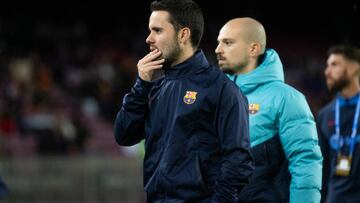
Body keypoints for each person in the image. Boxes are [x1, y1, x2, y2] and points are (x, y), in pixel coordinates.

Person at [114, 0, 254, 202]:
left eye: (157, 30)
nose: (148, 39)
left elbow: (239, 161)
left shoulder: (222, 89)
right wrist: (141, 86)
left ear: (183, 35)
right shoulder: (154, 86)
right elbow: (124, 135)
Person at [215, 17, 323, 203]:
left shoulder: (286, 98)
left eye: (228, 42)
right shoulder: (218, 96)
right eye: (218, 42)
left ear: (253, 49)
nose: (218, 49)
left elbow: (305, 163)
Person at [317, 44, 360, 203]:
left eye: (334, 65)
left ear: (353, 68)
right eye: (327, 65)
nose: (327, 72)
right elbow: (322, 168)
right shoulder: (324, 114)